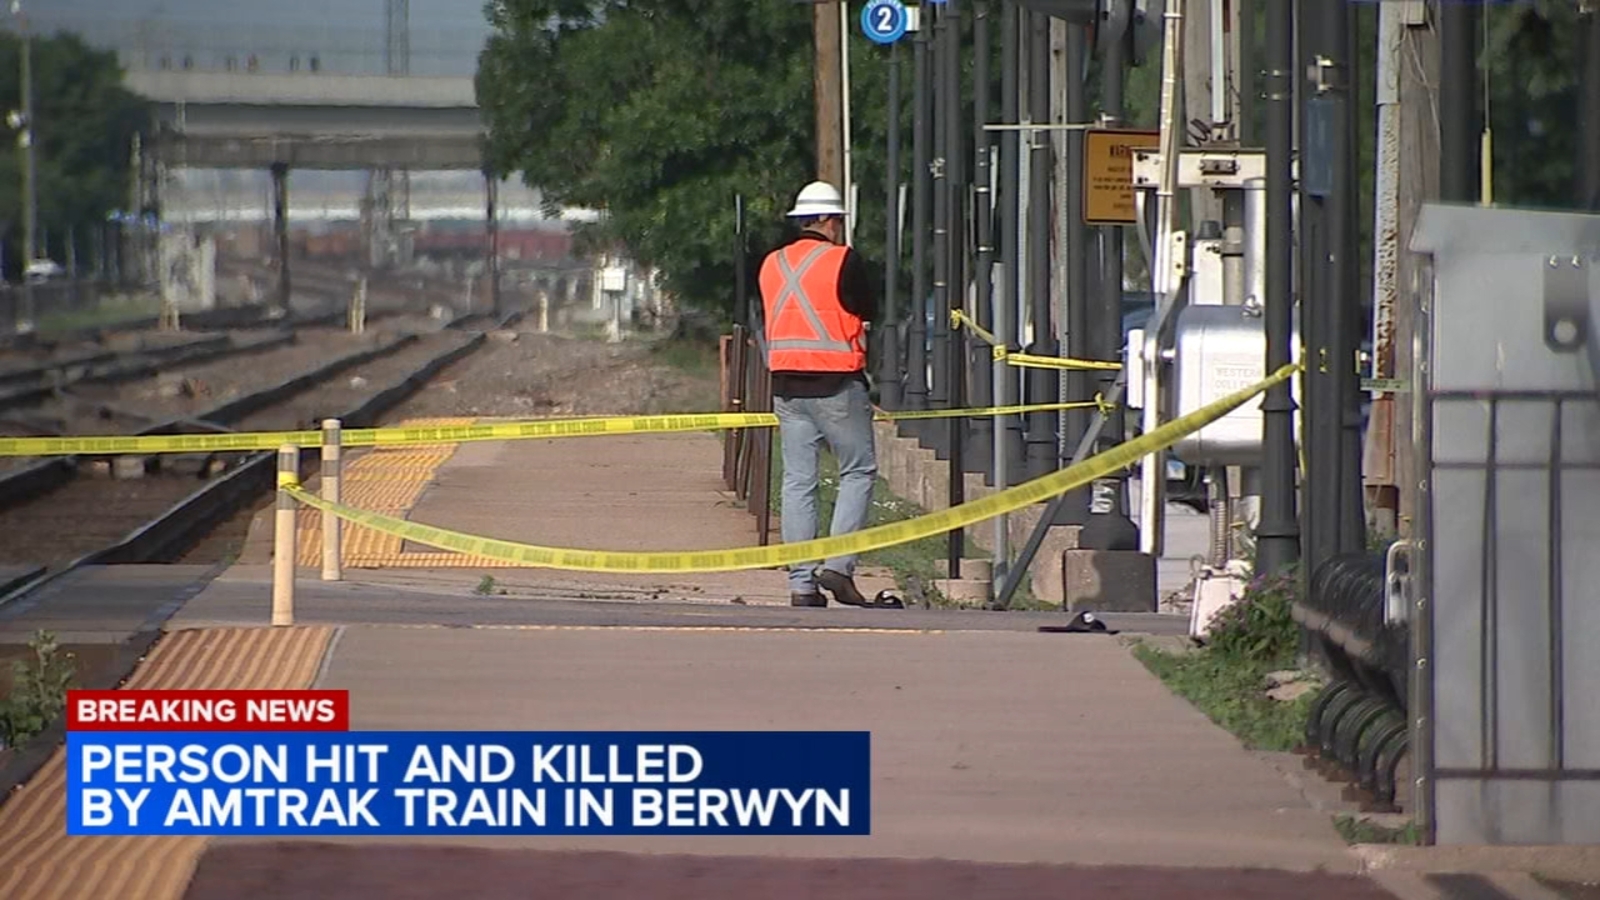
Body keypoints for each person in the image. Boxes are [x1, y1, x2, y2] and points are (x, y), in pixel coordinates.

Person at [758, 181, 881, 609]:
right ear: (830, 221)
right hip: (837, 385)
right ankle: (839, 564)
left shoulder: (771, 263)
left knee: (798, 482)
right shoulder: (842, 260)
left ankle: (802, 585)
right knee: (858, 471)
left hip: (787, 388)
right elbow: (868, 310)